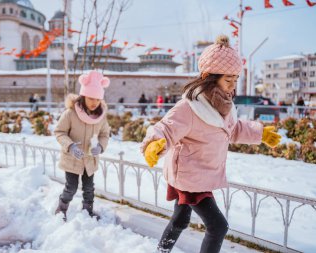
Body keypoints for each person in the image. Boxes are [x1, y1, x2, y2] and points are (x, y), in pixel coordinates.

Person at [140, 35, 281, 253]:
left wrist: (259, 133)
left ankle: (161, 250)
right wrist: (153, 143)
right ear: (209, 77)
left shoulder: (223, 104)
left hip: (200, 172)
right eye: (228, 80)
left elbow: (232, 129)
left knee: (180, 220)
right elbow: (166, 128)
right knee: (218, 227)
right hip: (191, 175)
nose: (232, 86)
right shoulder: (190, 107)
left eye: (235, 80)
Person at [54, 70, 111, 221]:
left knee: (89, 188)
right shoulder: (70, 113)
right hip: (72, 158)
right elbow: (59, 132)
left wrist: (100, 147)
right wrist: (70, 146)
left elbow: (105, 134)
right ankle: (62, 207)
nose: (94, 102)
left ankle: (88, 211)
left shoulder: (100, 116)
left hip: (90, 159)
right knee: (71, 187)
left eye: (98, 99)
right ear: (84, 96)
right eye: (91, 98)